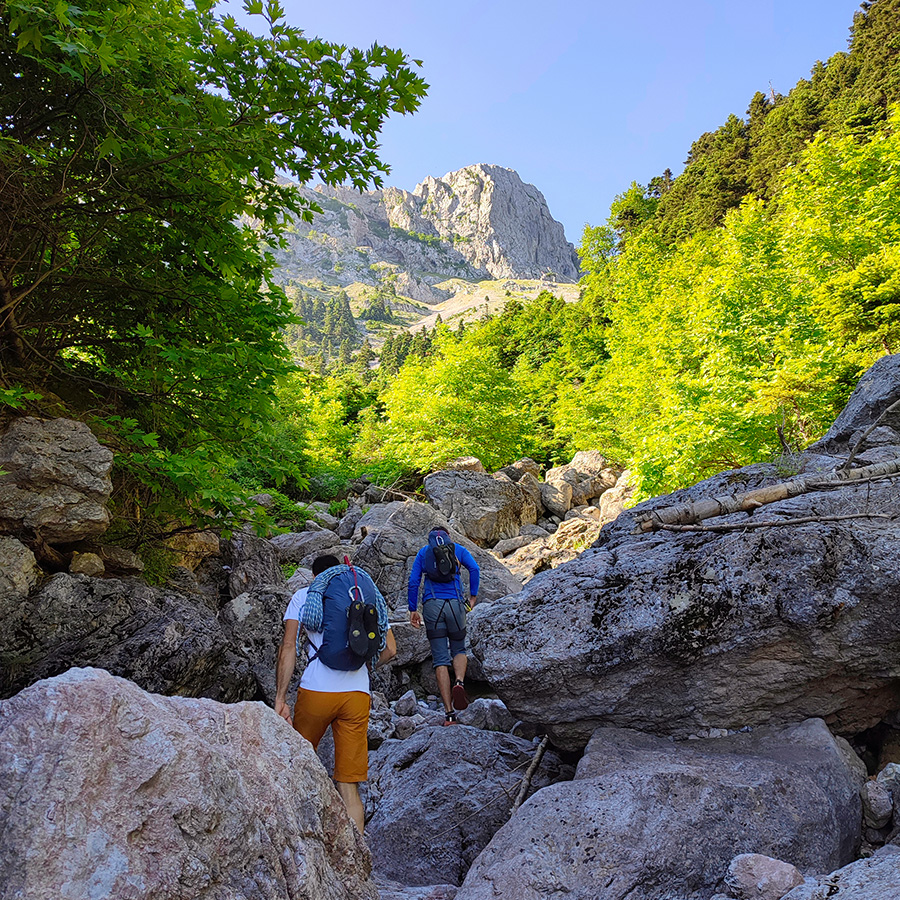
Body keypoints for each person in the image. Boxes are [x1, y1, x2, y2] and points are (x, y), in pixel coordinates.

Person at [275, 554, 396, 833]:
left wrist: (280, 698)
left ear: (315, 576)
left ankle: (299, 838)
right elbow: (391, 650)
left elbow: (288, 647)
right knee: (349, 784)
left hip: (317, 690)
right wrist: (362, 665)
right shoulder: (364, 595)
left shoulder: (304, 596)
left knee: (298, 764)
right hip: (357, 694)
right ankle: (356, 853)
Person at [407, 527, 480, 725]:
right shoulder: (458, 549)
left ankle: (449, 714)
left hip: (432, 606)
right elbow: (474, 569)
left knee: (440, 659)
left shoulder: (424, 553)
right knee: (459, 648)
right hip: (455, 604)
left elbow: (413, 581)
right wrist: (473, 596)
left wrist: (413, 608)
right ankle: (459, 682)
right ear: (448, 537)